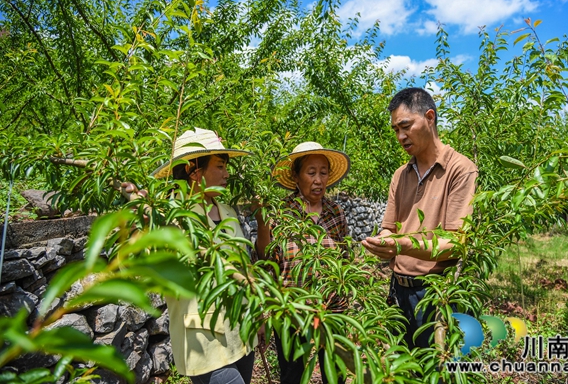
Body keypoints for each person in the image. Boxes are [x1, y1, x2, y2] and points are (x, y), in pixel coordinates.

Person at [125, 127, 256, 384]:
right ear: (194, 170)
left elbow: (243, 265)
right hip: (205, 338)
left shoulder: (227, 210)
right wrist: (138, 223)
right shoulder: (166, 216)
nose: (226, 174)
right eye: (219, 166)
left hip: (241, 331)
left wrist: (258, 313)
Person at [362, 87, 478, 350]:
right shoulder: (400, 175)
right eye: (395, 130)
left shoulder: (460, 170)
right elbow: (389, 229)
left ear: (429, 117)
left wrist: (401, 245)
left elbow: (455, 243)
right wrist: (381, 243)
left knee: (437, 371)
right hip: (398, 292)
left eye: (405, 126)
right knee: (403, 371)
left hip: (436, 295)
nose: (401, 137)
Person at [255, 141, 350, 384]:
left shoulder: (335, 213)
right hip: (292, 312)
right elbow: (267, 259)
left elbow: (345, 259)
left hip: (331, 310)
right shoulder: (280, 213)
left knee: (333, 371)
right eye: (311, 173)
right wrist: (262, 222)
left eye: (323, 172)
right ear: (296, 176)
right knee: (292, 373)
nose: (318, 180)